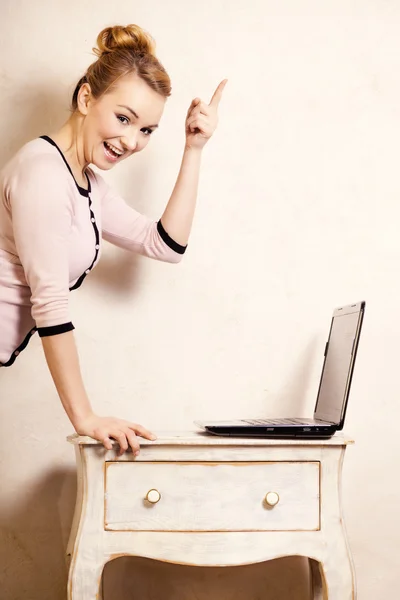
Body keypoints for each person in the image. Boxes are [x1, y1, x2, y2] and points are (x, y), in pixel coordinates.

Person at [0, 24, 226, 455]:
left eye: (146, 130)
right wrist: (85, 417)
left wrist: (194, 148)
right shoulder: (44, 175)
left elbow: (165, 244)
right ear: (87, 98)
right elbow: (48, 303)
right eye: (123, 118)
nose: (130, 141)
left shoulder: (86, 183)